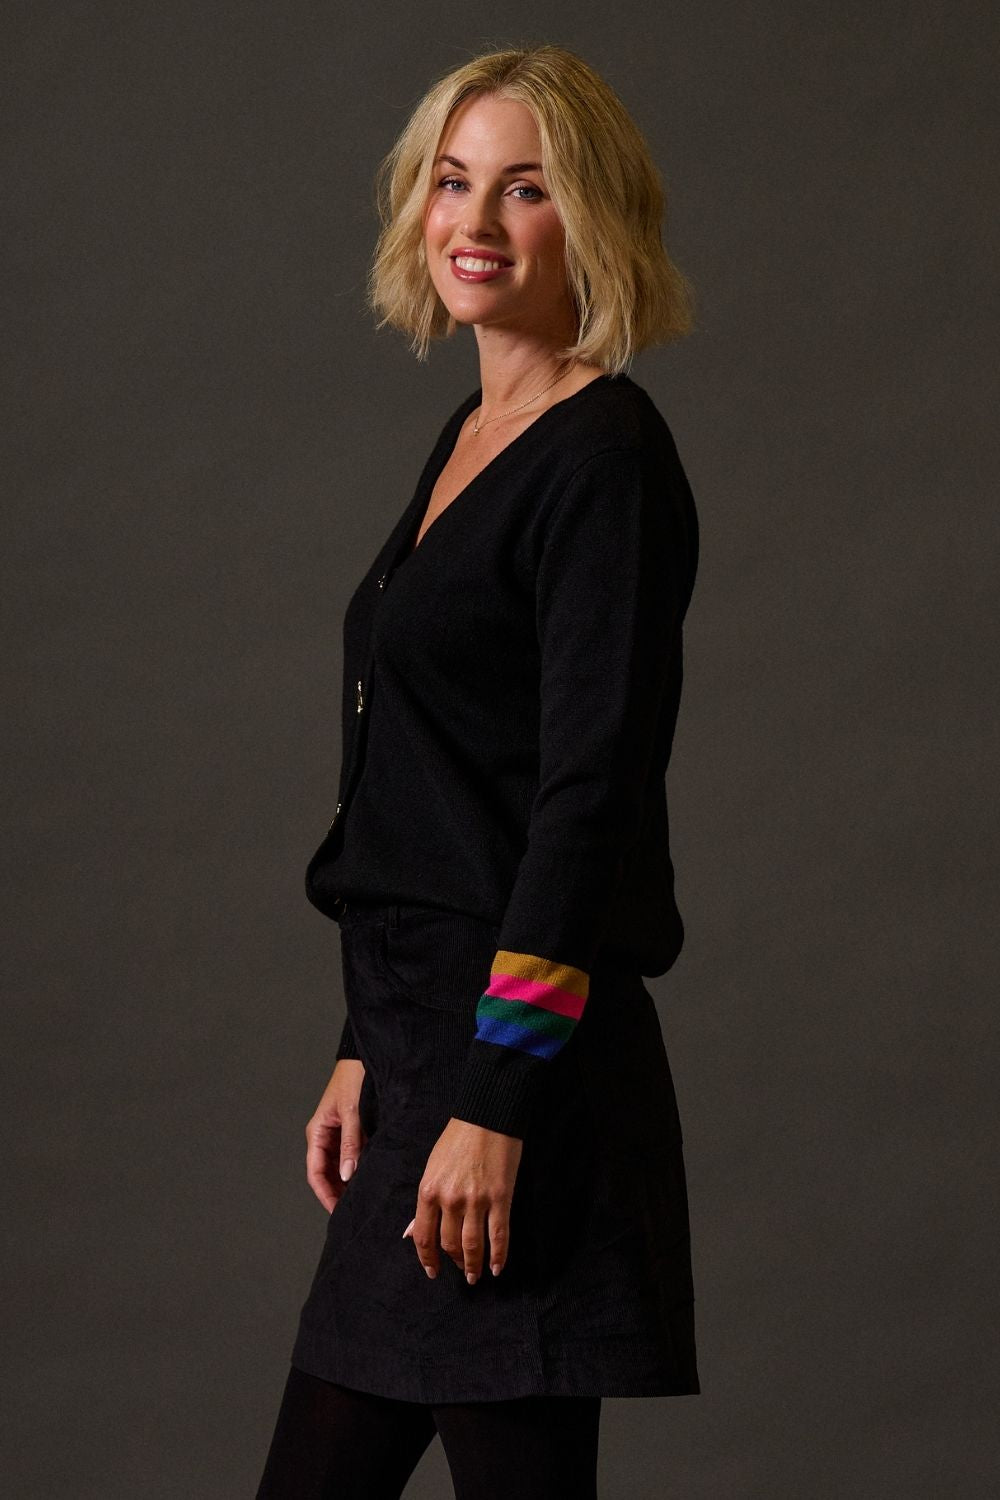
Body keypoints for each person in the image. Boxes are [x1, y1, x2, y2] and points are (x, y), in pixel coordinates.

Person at [256, 42, 701, 1500]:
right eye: (455, 181)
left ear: (595, 218)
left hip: (507, 1064)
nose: (476, 222)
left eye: (527, 188)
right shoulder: (474, 431)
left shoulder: (603, 456)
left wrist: (495, 1101)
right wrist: (361, 1045)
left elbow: (582, 799)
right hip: (419, 1046)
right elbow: (437, 786)